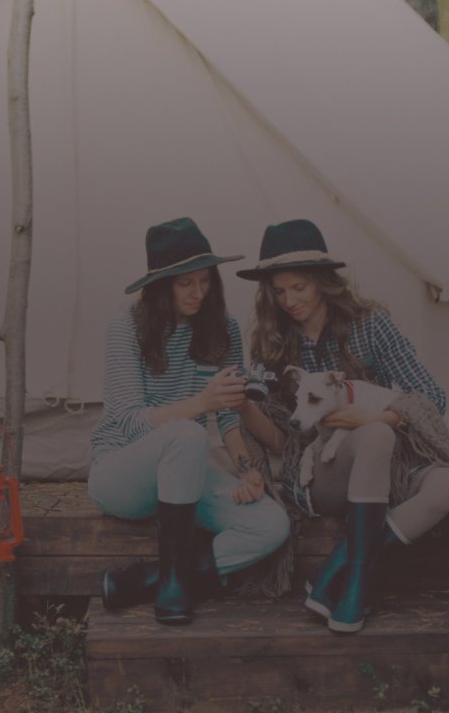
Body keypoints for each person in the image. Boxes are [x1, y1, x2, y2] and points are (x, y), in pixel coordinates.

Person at [234, 219, 449, 634]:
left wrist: (371, 417)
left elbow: (430, 398)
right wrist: (243, 407)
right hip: (322, 471)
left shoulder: (371, 325)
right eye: (278, 291)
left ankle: (342, 573)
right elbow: (282, 439)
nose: (289, 300)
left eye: (299, 287)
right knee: (376, 435)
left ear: (322, 282)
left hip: (393, 462)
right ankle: (354, 588)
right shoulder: (273, 342)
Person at [88, 217, 292, 625]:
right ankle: (173, 587)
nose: (199, 292)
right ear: (161, 285)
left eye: (205, 280)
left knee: (272, 524)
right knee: (183, 433)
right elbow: (129, 423)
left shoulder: (224, 328)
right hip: (122, 472)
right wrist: (201, 402)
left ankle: (158, 579)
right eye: (186, 283)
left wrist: (247, 470)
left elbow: (228, 414)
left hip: (186, 472)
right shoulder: (124, 328)